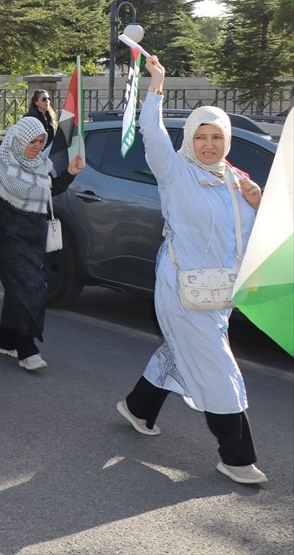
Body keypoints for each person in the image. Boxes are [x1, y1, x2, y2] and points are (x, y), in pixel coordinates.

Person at [115, 56, 268, 485]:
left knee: (179, 353)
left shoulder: (237, 182)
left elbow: (256, 236)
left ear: (228, 139)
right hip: (180, 287)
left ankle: (138, 406)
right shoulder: (176, 171)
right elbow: (152, 135)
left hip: (218, 294)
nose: (208, 144)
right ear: (189, 138)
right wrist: (157, 85)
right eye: (200, 136)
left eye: (216, 136)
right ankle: (236, 456)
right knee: (218, 367)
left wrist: (260, 203)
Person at [0, 116, 84, 370]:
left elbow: (49, 191)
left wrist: (70, 173)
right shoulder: (1, 166)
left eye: (40, 141)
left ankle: (4, 340)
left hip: (35, 239)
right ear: (18, 140)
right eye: (31, 142)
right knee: (31, 289)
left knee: (19, 291)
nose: (36, 147)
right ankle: (27, 347)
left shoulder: (40, 166)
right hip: (9, 239)